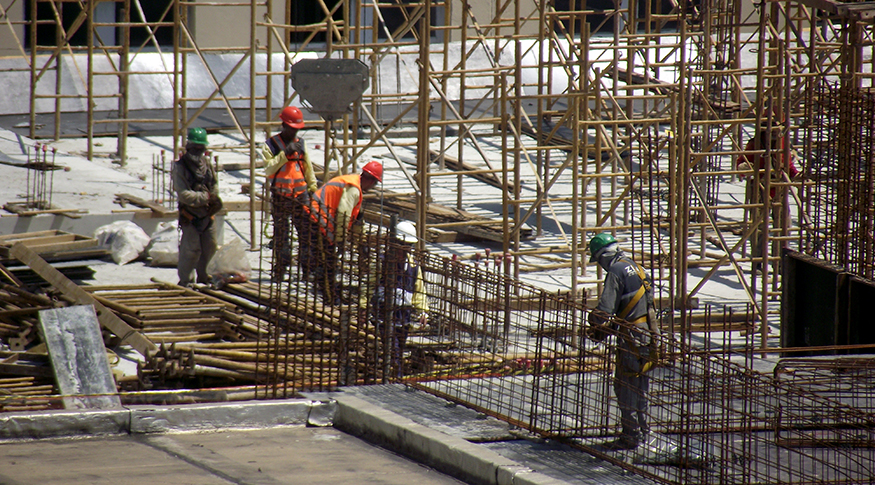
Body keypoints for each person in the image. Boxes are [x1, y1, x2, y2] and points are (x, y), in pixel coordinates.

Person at [585, 233, 658, 450]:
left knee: (625, 386)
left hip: (631, 339)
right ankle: (645, 432)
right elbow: (632, 307)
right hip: (648, 337)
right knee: (641, 385)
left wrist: (594, 324)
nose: (601, 266)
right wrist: (609, 330)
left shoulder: (616, 271)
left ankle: (631, 436)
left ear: (603, 257)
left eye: (599, 262)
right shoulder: (636, 267)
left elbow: (605, 310)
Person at [304, 161, 383, 302]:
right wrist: (340, 239)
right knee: (327, 262)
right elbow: (343, 214)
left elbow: (356, 219)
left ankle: (325, 287)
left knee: (325, 260)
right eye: (375, 183)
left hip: (318, 219)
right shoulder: (353, 188)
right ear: (370, 180)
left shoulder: (353, 184)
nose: (373, 187)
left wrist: (361, 241)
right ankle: (330, 297)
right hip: (316, 219)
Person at [359, 220, 429, 378]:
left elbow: (419, 291)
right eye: (403, 245)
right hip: (383, 315)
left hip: (403, 317)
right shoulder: (381, 262)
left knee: (398, 348)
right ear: (393, 243)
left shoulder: (413, 266)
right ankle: (393, 378)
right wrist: (363, 308)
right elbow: (368, 286)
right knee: (393, 350)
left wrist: (424, 312)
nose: (405, 250)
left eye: (409, 246)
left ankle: (390, 374)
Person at [262, 106, 317, 282]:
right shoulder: (271, 145)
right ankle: (280, 271)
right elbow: (269, 170)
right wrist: (284, 154)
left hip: (300, 196)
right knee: (282, 236)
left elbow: (307, 167)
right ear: (284, 125)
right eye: (292, 128)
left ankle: (307, 271)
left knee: (306, 236)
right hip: (281, 196)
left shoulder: (301, 144)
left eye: (297, 129)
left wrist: (313, 188)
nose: (294, 132)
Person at [735, 123, 799, 265]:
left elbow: (788, 166)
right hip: (759, 187)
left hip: (778, 188)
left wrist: (796, 175)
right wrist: (746, 168)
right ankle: (758, 260)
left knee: (783, 225)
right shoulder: (755, 144)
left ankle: (780, 260)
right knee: (758, 226)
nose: (776, 135)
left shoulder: (783, 145)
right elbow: (741, 163)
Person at [172, 127, 223, 287]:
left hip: (207, 215)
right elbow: (184, 195)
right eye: (195, 148)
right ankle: (186, 281)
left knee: (210, 246)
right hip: (191, 216)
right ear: (188, 146)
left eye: (201, 149)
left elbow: (213, 184)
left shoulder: (206, 164)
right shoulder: (180, 167)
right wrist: (206, 198)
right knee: (190, 251)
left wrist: (214, 198)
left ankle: (205, 276)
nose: (198, 151)